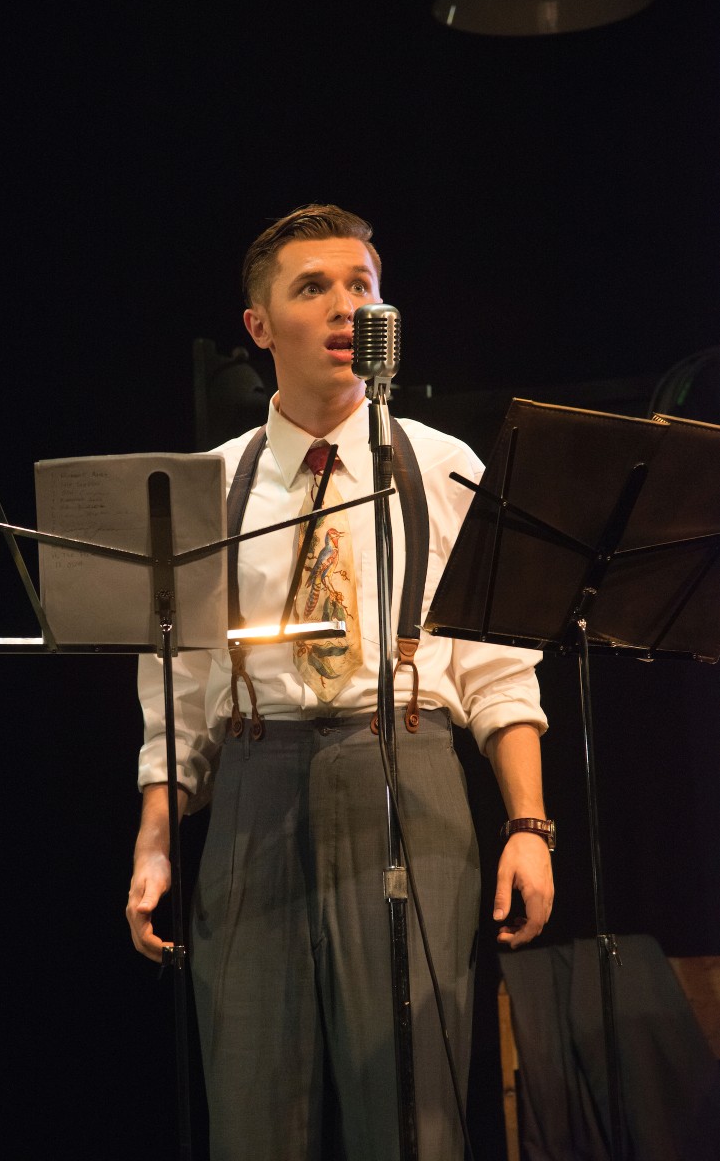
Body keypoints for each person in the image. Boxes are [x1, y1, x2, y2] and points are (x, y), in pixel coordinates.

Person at [126, 205, 554, 1161]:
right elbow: (179, 691)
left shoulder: (441, 467)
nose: (343, 305)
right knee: (252, 1104)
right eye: (312, 287)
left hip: (404, 769)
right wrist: (155, 843)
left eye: (360, 285)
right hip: (254, 781)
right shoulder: (211, 483)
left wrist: (528, 825)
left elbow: (499, 668)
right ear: (258, 325)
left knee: (411, 1102)